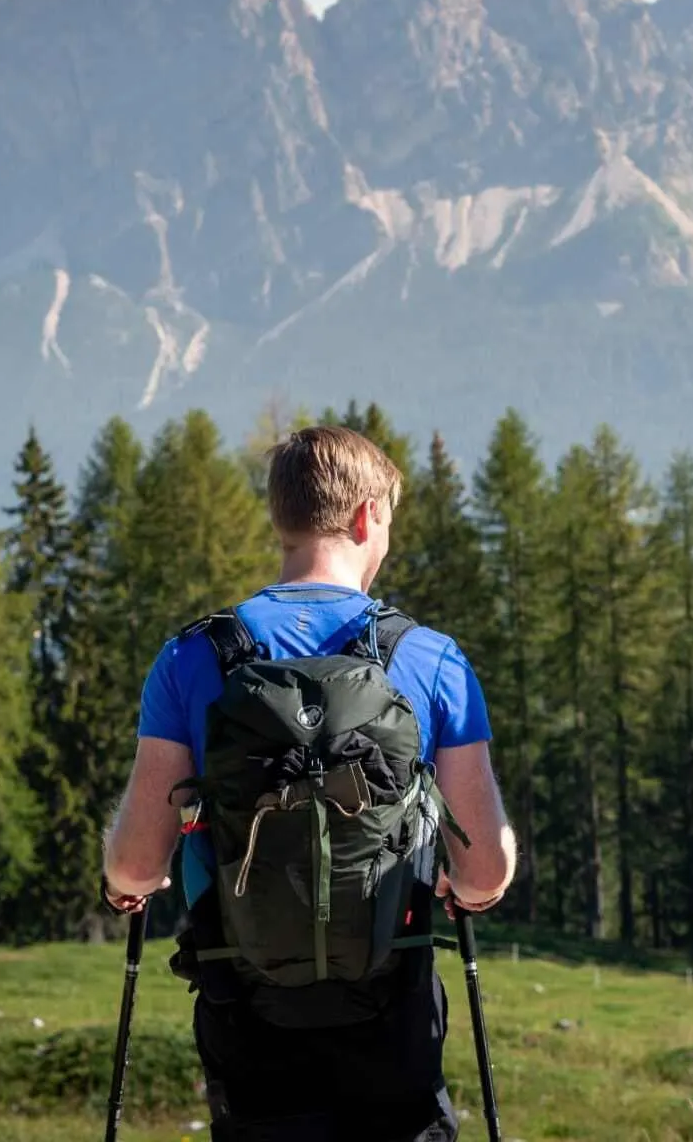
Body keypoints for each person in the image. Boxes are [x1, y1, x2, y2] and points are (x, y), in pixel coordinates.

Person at [104, 424, 517, 1142]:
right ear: (366, 516)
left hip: (248, 1013)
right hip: (394, 1013)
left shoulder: (193, 657)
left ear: (281, 516)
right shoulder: (429, 659)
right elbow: (482, 868)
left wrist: (126, 881)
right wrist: (471, 887)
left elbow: (137, 863)